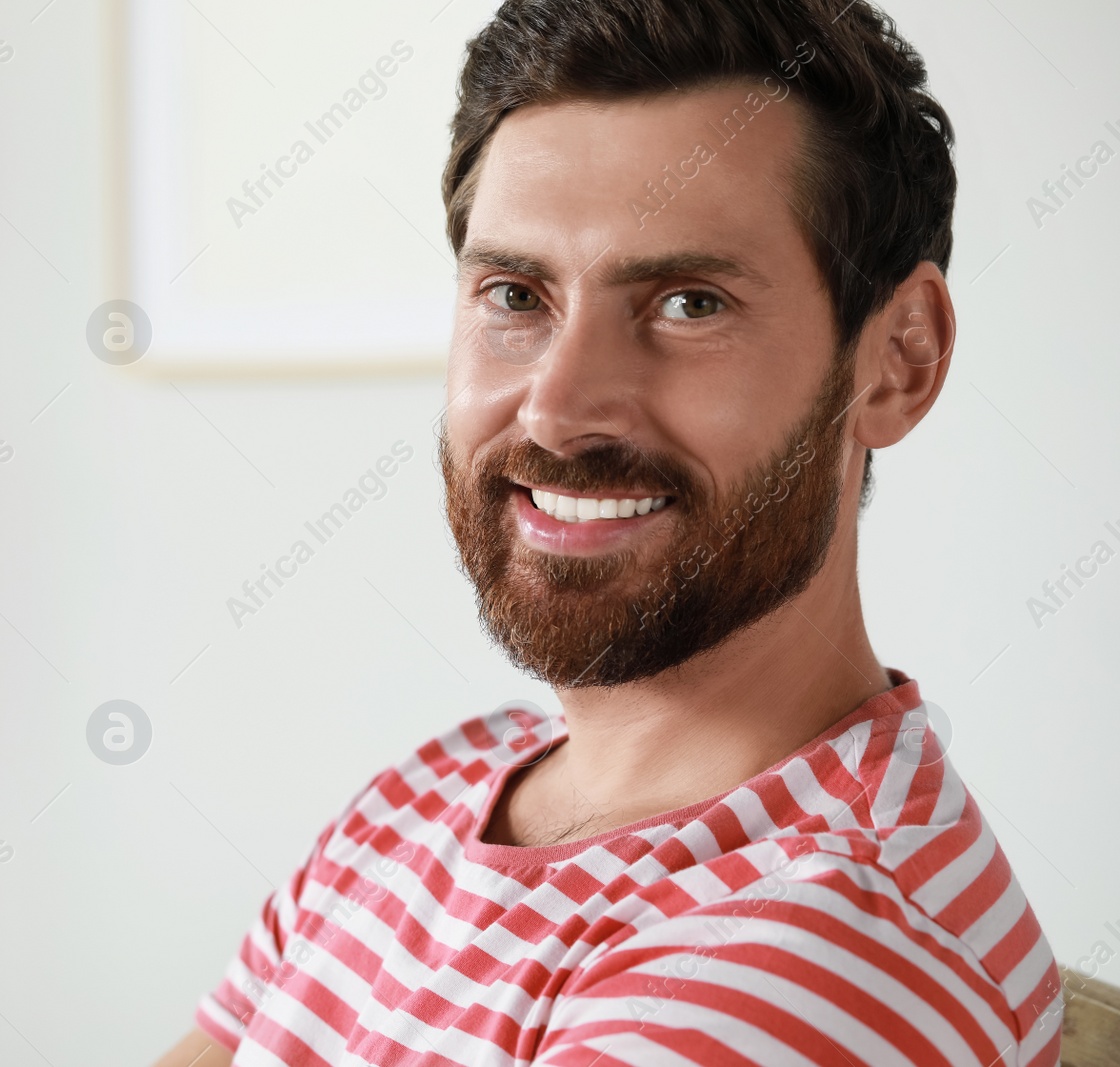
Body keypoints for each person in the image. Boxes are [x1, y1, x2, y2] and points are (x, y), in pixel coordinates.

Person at [154, 0, 1062, 1062]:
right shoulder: (431, 791)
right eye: (515, 293)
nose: (556, 407)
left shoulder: (817, 953)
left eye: (687, 303)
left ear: (898, 359)